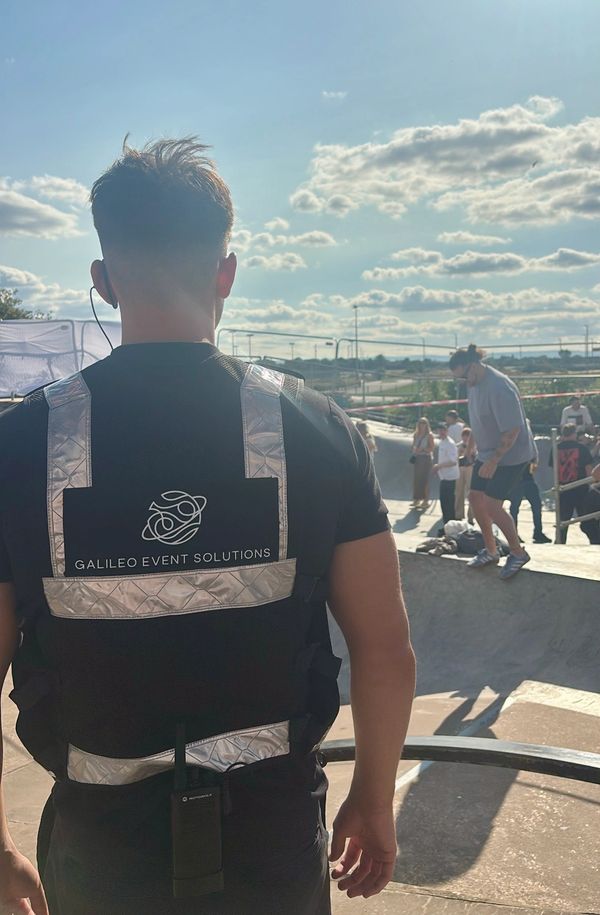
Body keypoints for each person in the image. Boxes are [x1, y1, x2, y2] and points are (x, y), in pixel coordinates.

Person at [0, 139, 416, 915]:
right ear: (226, 271)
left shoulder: (22, 445)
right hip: (273, 840)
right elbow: (384, 645)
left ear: (102, 279)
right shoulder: (317, 428)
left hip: (102, 850)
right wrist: (374, 793)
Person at [449, 345, 535, 580]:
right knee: (475, 498)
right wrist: (470, 448)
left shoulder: (499, 387)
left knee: (492, 505)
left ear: (474, 365)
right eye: (460, 379)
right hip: (487, 452)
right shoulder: (474, 384)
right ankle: (491, 550)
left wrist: (495, 460)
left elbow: (513, 429)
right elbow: (478, 420)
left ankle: (518, 553)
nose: (465, 382)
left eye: (465, 376)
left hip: (512, 455)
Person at [550, 423, 594, 543]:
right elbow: (589, 469)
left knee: (563, 521)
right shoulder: (582, 448)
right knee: (587, 520)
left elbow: (554, 469)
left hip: (563, 489)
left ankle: (559, 542)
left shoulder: (556, 448)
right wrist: (592, 485)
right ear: (574, 434)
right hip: (581, 488)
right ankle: (595, 541)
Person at [509, 434, 551, 544]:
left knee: (536, 505)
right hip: (517, 480)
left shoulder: (528, 445)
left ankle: (538, 532)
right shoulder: (513, 444)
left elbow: (534, 462)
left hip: (527, 479)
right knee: (515, 508)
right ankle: (514, 534)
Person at [432, 423, 459, 535]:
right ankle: (447, 525)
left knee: (448, 503)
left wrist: (439, 466)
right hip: (444, 476)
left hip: (450, 476)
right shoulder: (442, 442)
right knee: (444, 502)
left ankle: (450, 526)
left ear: (447, 431)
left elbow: (453, 461)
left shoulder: (450, 444)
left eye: (443, 430)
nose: (441, 433)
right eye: (439, 430)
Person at [410, 417, 434, 509]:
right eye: (420, 422)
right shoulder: (416, 434)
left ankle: (426, 500)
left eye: (424, 423)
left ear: (427, 424)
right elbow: (412, 446)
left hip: (426, 458)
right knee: (417, 479)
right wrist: (414, 449)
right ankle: (416, 499)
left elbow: (431, 448)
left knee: (425, 479)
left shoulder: (429, 435)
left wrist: (423, 449)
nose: (422, 424)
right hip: (418, 458)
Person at [455, 426, 475, 524]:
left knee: (470, 492)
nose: (465, 438)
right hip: (460, 469)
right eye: (464, 436)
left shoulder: (474, 446)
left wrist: (469, 450)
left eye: (468, 436)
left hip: (470, 468)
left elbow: (474, 457)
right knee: (459, 491)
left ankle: (471, 516)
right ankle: (458, 514)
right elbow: (456, 458)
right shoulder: (458, 445)